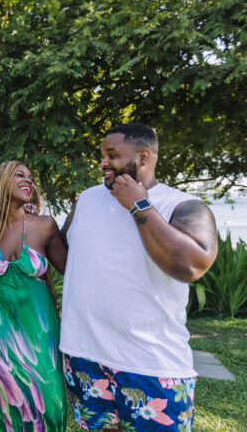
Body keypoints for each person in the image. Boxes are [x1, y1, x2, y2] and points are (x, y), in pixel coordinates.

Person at [60, 123, 218, 431]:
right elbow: (68, 255)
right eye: (103, 155)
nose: (103, 163)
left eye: (112, 155)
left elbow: (191, 266)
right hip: (84, 357)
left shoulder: (183, 205)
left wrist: (138, 205)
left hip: (150, 364)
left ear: (143, 157)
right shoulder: (87, 200)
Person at [0, 160, 68, 431]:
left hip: (40, 329)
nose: (29, 181)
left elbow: (72, 271)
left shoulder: (44, 225)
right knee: (8, 402)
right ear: (1, 181)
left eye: (31, 177)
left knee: (50, 403)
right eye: (20, 175)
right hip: (0, 327)